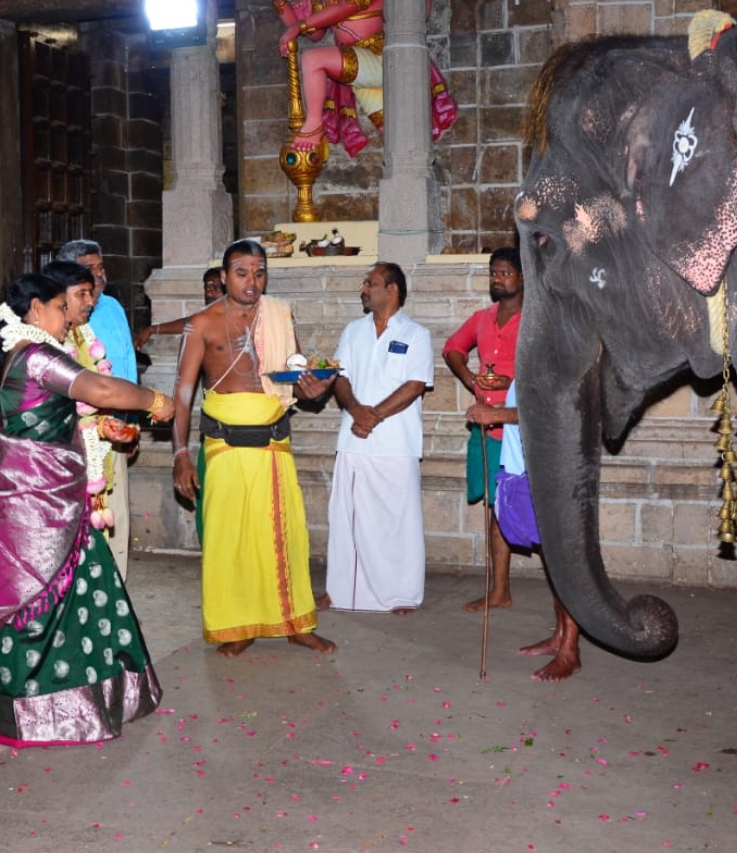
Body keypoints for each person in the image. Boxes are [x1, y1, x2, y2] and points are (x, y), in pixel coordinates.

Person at [0, 273, 173, 746]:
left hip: (51, 500)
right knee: (40, 609)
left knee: (85, 599)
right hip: (38, 513)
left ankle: (98, 700)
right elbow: (103, 391)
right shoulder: (36, 356)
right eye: (59, 307)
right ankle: (41, 715)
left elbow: (58, 419)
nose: (66, 316)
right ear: (35, 310)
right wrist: (157, 401)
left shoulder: (21, 352)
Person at [171, 238, 336, 657]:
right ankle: (236, 627)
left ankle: (295, 622)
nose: (252, 281)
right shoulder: (201, 325)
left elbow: (294, 375)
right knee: (232, 539)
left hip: (273, 442)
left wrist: (314, 389)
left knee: (285, 535)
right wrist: (180, 456)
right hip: (225, 446)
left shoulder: (279, 315)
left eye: (259, 272)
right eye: (242, 273)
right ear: (224, 277)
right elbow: (183, 395)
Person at [319, 263, 431, 614]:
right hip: (354, 439)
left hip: (397, 443)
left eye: (371, 283)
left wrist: (374, 416)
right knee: (348, 520)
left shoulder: (415, 334)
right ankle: (341, 592)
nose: (364, 289)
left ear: (393, 289)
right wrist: (356, 409)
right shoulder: (353, 331)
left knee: (399, 521)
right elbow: (341, 378)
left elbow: (414, 385)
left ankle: (402, 594)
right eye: (365, 283)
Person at [465, 381, 583, 682]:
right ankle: (560, 636)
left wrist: (497, 415)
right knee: (549, 556)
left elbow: (551, 411)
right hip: (525, 466)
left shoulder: (558, 352)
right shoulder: (533, 352)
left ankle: (570, 650)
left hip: (550, 469)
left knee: (560, 560)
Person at [269, 0, 456, 156]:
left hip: (381, 58)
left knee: (312, 59)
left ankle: (314, 123)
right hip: (359, 66)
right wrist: (280, 1)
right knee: (396, 144)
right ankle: (404, 187)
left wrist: (300, 25)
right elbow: (317, 34)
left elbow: (346, 8)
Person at [443, 247, 523, 613]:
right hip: (489, 431)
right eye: (494, 272)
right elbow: (452, 349)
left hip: (524, 430)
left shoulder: (535, 319)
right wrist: (474, 381)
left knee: (527, 509)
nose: (497, 278)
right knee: (497, 509)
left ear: (523, 277)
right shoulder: (482, 318)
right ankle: (500, 591)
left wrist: (511, 384)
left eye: (505, 272)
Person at [57, 239, 139, 579]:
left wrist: (130, 423)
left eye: (102, 267)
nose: (100, 276)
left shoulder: (113, 308)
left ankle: (114, 587)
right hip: (76, 440)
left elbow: (125, 367)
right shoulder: (55, 323)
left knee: (115, 512)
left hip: (114, 429)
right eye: (91, 270)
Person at [134, 267, 225, 350]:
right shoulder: (206, 315)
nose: (209, 293)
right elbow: (189, 322)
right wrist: (152, 329)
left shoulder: (234, 314)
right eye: (207, 288)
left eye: (216, 288)